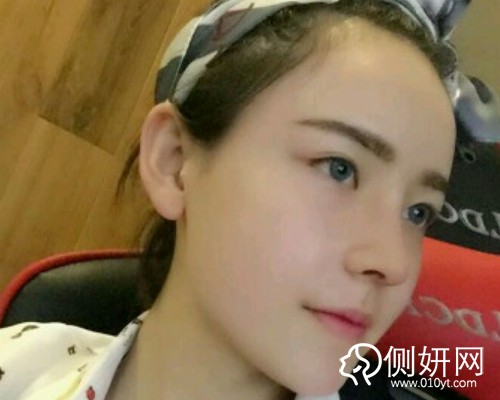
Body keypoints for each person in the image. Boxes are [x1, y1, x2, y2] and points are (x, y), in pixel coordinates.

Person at [0, 0, 478, 399]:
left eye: (419, 213)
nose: (394, 263)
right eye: (340, 168)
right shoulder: (19, 369)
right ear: (173, 161)